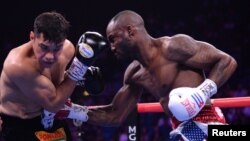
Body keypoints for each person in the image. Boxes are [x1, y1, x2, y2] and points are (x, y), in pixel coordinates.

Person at [82, 10, 237, 141]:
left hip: (209, 123)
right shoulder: (134, 74)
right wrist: (72, 111)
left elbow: (227, 61)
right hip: (181, 131)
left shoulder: (174, 47)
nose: (112, 47)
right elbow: (115, 115)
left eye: (113, 39)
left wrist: (201, 93)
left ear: (130, 31)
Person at [0, 11, 106, 141]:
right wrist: (79, 67)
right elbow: (54, 103)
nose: (50, 56)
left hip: (51, 118)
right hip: (19, 125)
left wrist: (80, 77)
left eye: (57, 48)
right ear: (32, 37)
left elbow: (56, 86)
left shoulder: (68, 49)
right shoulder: (18, 65)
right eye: (44, 47)